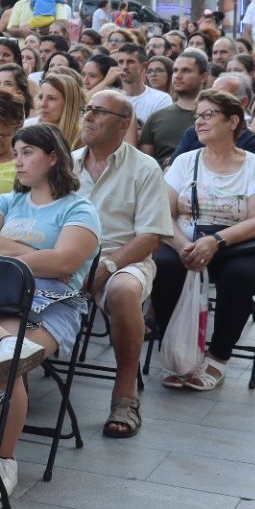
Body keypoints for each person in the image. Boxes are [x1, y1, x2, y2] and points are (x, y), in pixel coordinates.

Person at [0, 122, 100, 499]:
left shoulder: (79, 209)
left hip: (52, 306)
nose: (18, 161)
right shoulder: (9, 200)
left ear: (53, 158)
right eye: (17, 152)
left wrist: (9, 249)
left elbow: (63, 264)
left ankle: (3, 460)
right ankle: (8, 344)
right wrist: (33, 255)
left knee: (1, 367)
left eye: (27, 153)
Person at [148, 89, 255, 391]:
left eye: (208, 115)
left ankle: (218, 357)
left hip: (240, 245)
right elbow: (163, 212)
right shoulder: (184, 161)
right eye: (197, 117)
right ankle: (181, 354)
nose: (199, 122)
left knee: (238, 276)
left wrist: (216, 241)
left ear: (233, 121)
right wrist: (182, 245)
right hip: (186, 240)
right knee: (165, 266)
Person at [75, 90, 173, 440]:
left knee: (123, 289)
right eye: (87, 109)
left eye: (98, 112)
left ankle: (125, 395)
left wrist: (108, 266)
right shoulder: (66, 164)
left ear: (123, 125)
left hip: (125, 257)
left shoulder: (144, 168)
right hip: (69, 256)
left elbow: (150, 237)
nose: (88, 116)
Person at [140, 50, 208, 166]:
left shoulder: (215, 116)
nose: (178, 76)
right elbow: (144, 165)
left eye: (186, 71)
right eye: (175, 70)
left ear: (203, 77)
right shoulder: (156, 117)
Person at [28, 68, 85, 151]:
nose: (43, 104)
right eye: (40, 97)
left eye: (51, 98)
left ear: (69, 103)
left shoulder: (85, 138)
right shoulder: (29, 127)